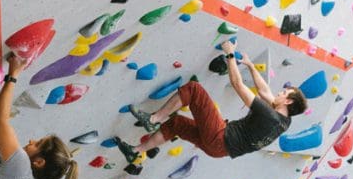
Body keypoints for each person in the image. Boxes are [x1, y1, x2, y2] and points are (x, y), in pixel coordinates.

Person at [115, 39, 306, 172]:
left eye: (284, 93)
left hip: (220, 137)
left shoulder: (270, 116)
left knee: (194, 90)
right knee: (176, 124)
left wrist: (230, 55)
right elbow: (266, 92)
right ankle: (135, 152)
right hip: (218, 151)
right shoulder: (284, 121)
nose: (280, 92)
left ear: (288, 101)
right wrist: (250, 65)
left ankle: (153, 119)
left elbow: (238, 84)